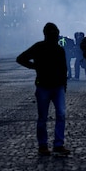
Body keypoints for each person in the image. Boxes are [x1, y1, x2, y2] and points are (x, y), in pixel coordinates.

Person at [16, 22, 71, 156]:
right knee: (55, 116)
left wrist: (34, 66)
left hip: (49, 86)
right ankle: (50, 144)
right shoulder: (51, 48)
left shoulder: (45, 48)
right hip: (49, 86)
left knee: (47, 117)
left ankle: (49, 145)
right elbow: (64, 69)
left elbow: (21, 59)